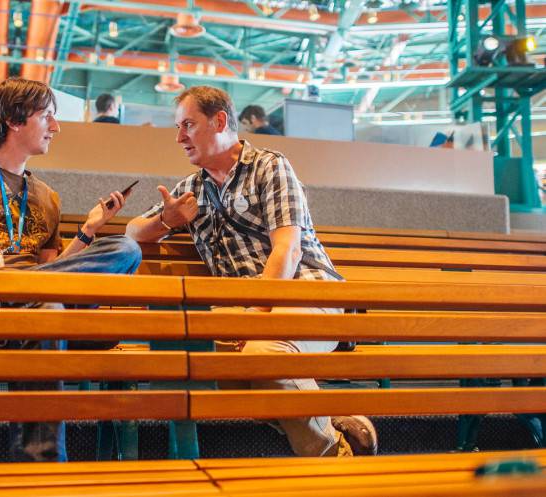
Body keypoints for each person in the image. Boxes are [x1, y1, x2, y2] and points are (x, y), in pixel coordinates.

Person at [125, 86, 377, 457]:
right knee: (200, 360)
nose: (179, 137)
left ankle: (334, 456)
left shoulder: (269, 166)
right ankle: (328, 412)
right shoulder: (192, 189)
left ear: (221, 121)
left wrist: (253, 317)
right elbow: (132, 231)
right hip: (244, 310)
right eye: (178, 127)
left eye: (188, 125)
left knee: (264, 351)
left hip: (308, 293)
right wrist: (168, 219)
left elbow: (287, 250)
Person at [0, 77, 142, 462]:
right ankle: (43, 471)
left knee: (126, 247)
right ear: (14, 119)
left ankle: (16, 296)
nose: (56, 128)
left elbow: (54, 273)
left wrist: (88, 232)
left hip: (28, 299)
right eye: (47, 117)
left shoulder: (47, 196)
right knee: (49, 311)